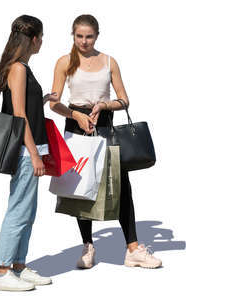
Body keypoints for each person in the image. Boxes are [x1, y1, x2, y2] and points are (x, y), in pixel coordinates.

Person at [49, 14, 162, 269]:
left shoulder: (109, 61)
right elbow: (54, 103)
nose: (84, 41)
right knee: (80, 185)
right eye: (79, 36)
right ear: (73, 35)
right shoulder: (64, 62)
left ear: (97, 35)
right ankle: (88, 245)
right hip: (76, 124)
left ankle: (133, 248)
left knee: (121, 184)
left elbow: (124, 100)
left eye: (89, 36)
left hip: (105, 124)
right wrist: (75, 114)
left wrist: (104, 104)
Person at [0, 15, 55, 291]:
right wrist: (34, 154)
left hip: (33, 147)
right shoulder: (18, 68)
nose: (42, 41)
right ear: (33, 39)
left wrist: (43, 100)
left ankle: (18, 264)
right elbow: (19, 116)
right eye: (41, 37)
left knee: (28, 211)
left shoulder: (24, 68)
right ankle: (3, 271)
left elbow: (25, 107)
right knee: (19, 210)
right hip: (26, 150)